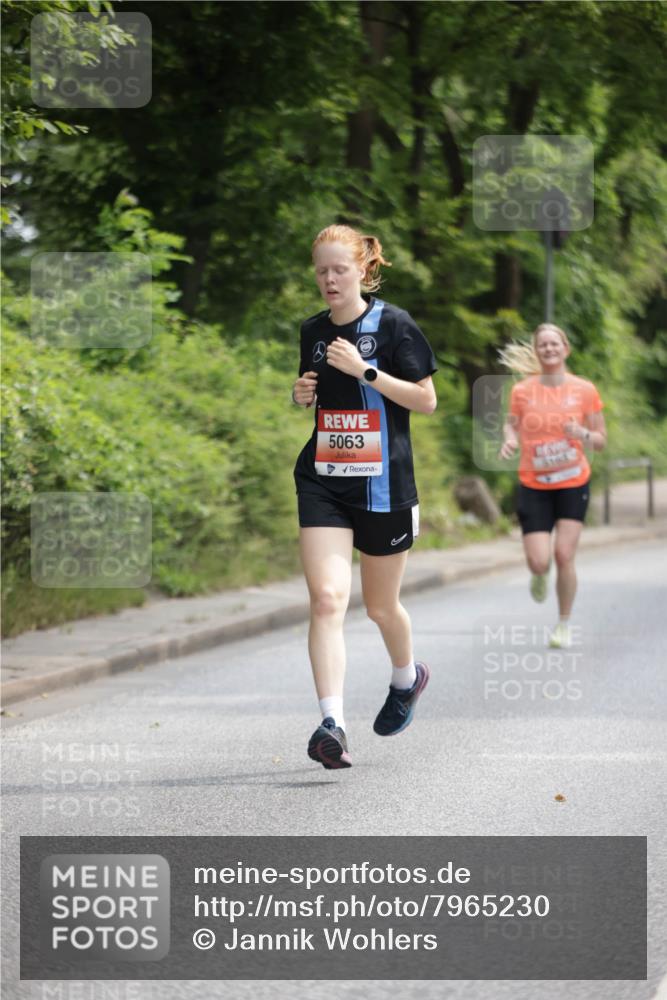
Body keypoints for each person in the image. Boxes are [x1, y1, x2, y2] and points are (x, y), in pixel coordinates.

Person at [292, 224, 437, 770]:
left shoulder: (393, 324)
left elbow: (426, 401)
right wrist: (300, 392)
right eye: (322, 271)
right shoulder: (311, 331)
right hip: (324, 479)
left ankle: (407, 678)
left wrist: (367, 370)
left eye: (339, 270)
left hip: (385, 487)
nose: (329, 280)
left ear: (362, 270)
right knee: (328, 599)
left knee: (380, 607)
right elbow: (315, 392)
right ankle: (333, 723)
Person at [498, 322, 607, 647]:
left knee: (564, 555)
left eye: (554, 344)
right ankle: (538, 573)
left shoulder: (584, 389)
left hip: (573, 481)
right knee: (539, 560)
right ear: (537, 351)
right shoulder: (522, 391)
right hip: (534, 484)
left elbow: (600, 440)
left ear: (565, 348)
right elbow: (511, 426)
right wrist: (510, 441)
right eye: (542, 345)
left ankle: (563, 624)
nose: (548, 349)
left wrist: (583, 434)